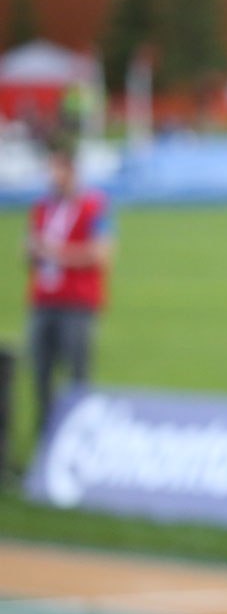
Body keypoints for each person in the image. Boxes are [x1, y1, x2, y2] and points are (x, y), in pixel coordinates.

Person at [25, 140, 114, 435]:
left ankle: (79, 433)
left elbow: (101, 253)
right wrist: (33, 252)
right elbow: (32, 250)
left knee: (77, 371)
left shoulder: (94, 206)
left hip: (77, 301)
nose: (52, 175)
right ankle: (45, 434)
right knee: (40, 371)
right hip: (43, 299)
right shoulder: (42, 208)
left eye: (57, 168)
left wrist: (55, 253)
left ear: (71, 171)